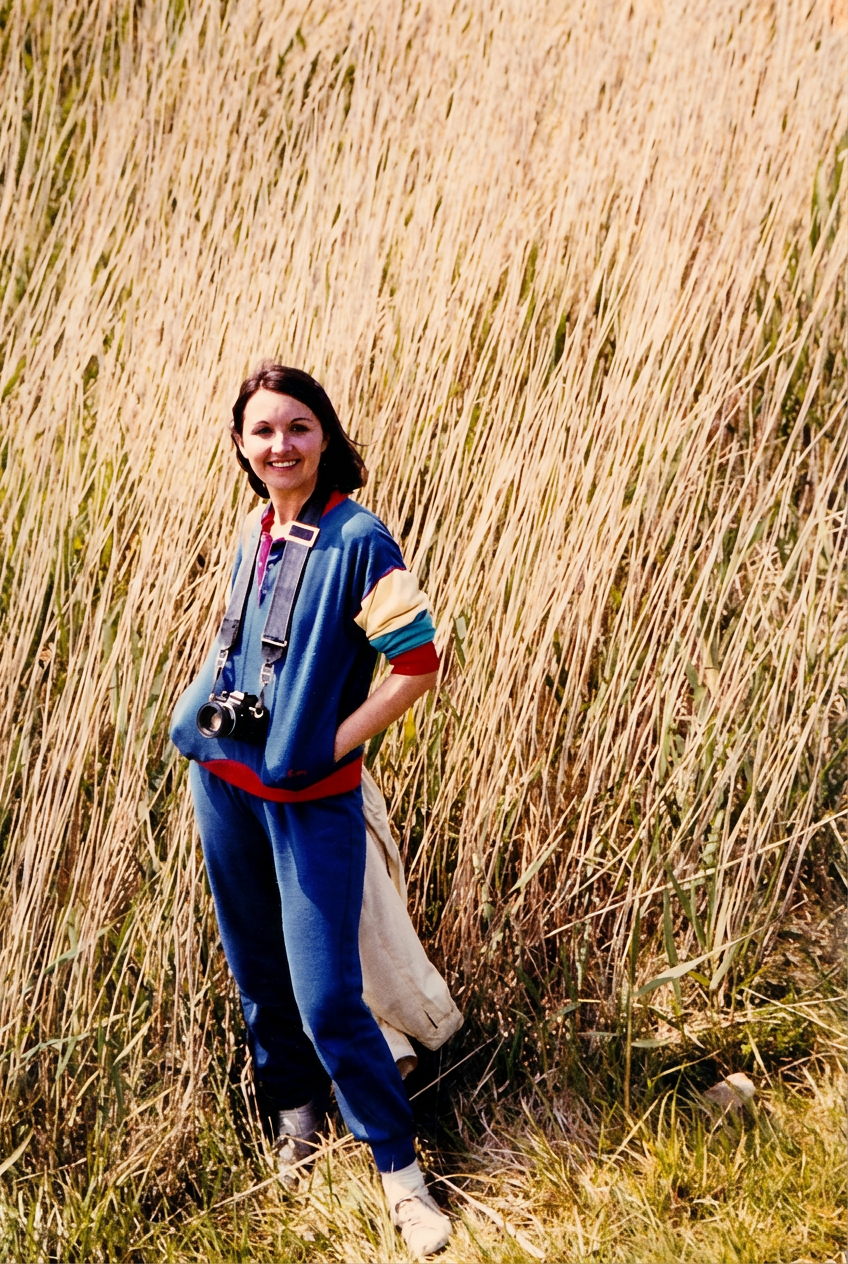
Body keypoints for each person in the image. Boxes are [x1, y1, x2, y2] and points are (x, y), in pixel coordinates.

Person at [170, 362, 451, 1258]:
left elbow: (417, 667)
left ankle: (403, 1181)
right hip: (224, 787)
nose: (280, 446)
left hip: (311, 802)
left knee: (329, 995)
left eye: (297, 427)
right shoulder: (256, 525)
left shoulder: (363, 540)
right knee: (259, 978)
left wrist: (334, 744)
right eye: (263, 432)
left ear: (324, 434)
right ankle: (296, 1120)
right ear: (242, 449)